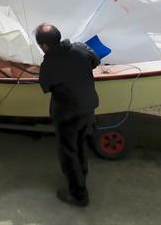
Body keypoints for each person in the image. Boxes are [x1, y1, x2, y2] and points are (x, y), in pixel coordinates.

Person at [36, 23, 100, 207]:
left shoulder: (48, 65)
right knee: (80, 145)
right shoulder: (80, 48)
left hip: (66, 115)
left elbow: (45, 88)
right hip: (87, 108)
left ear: (45, 46)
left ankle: (79, 196)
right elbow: (95, 61)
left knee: (68, 153)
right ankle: (82, 177)